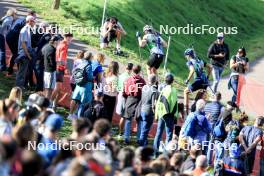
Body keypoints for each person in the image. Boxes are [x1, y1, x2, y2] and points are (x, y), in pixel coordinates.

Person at [153, 73, 178, 156]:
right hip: (168, 115)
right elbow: (174, 104)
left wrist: (157, 114)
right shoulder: (173, 90)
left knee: (159, 132)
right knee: (169, 135)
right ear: (172, 81)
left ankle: (155, 152)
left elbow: (159, 103)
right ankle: (166, 154)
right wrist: (175, 116)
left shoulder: (163, 89)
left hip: (161, 114)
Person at [184, 48, 211, 114]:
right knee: (199, 98)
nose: (186, 57)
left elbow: (192, 70)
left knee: (185, 92)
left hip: (198, 81)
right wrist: (207, 77)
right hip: (205, 81)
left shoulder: (190, 62)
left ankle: (186, 111)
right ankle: (199, 111)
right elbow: (210, 67)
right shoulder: (199, 60)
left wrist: (187, 80)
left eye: (186, 56)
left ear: (188, 55)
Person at [123, 65, 146, 144]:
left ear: (133, 71)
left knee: (128, 119)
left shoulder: (128, 80)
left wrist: (126, 97)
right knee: (139, 120)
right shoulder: (142, 81)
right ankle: (139, 139)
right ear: (139, 71)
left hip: (130, 99)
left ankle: (126, 138)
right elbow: (144, 92)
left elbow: (125, 91)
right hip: (139, 100)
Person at [51, 32, 73, 109]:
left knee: (58, 89)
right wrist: (65, 67)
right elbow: (61, 59)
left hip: (59, 68)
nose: (71, 41)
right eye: (70, 39)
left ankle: (54, 105)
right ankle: (49, 104)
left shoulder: (60, 44)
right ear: (67, 38)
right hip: (60, 69)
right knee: (57, 88)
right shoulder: (64, 46)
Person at [69, 51, 93, 118]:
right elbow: (89, 77)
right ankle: (79, 118)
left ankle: (71, 115)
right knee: (83, 104)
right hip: (85, 86)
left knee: (75, 100)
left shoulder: (80, 63)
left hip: (78, 85)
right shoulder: (88, 65)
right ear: (90, 57)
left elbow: (74, 71)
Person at [15, 16, 35, 89]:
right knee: (21, 73)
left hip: (24, 53)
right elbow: (23, 44)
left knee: (23, 72)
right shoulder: (24, 30)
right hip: (23, 54)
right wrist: (28, 55)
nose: (34, 23)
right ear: (29, 21)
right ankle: (17, 88)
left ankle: (19, 87)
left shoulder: (27, 30)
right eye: (33, 21)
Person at [138, 74, 158, 146]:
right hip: (149, 111)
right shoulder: (154, 90)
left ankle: (144, 143)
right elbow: (153, 104)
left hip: (142, 109)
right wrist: (155, 114)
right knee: (145, 130)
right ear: (155, 81)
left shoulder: (144, 87)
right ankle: (141, 146)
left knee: (144, 127)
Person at [116, 63, 133, 138]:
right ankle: (120, 133)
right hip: (125, 96)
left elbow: (117, 87)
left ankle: (120, 130)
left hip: (120, 95)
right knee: (124, 116)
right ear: (131, 69)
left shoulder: (121, 75)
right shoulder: (130, 78)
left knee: (122, 115)